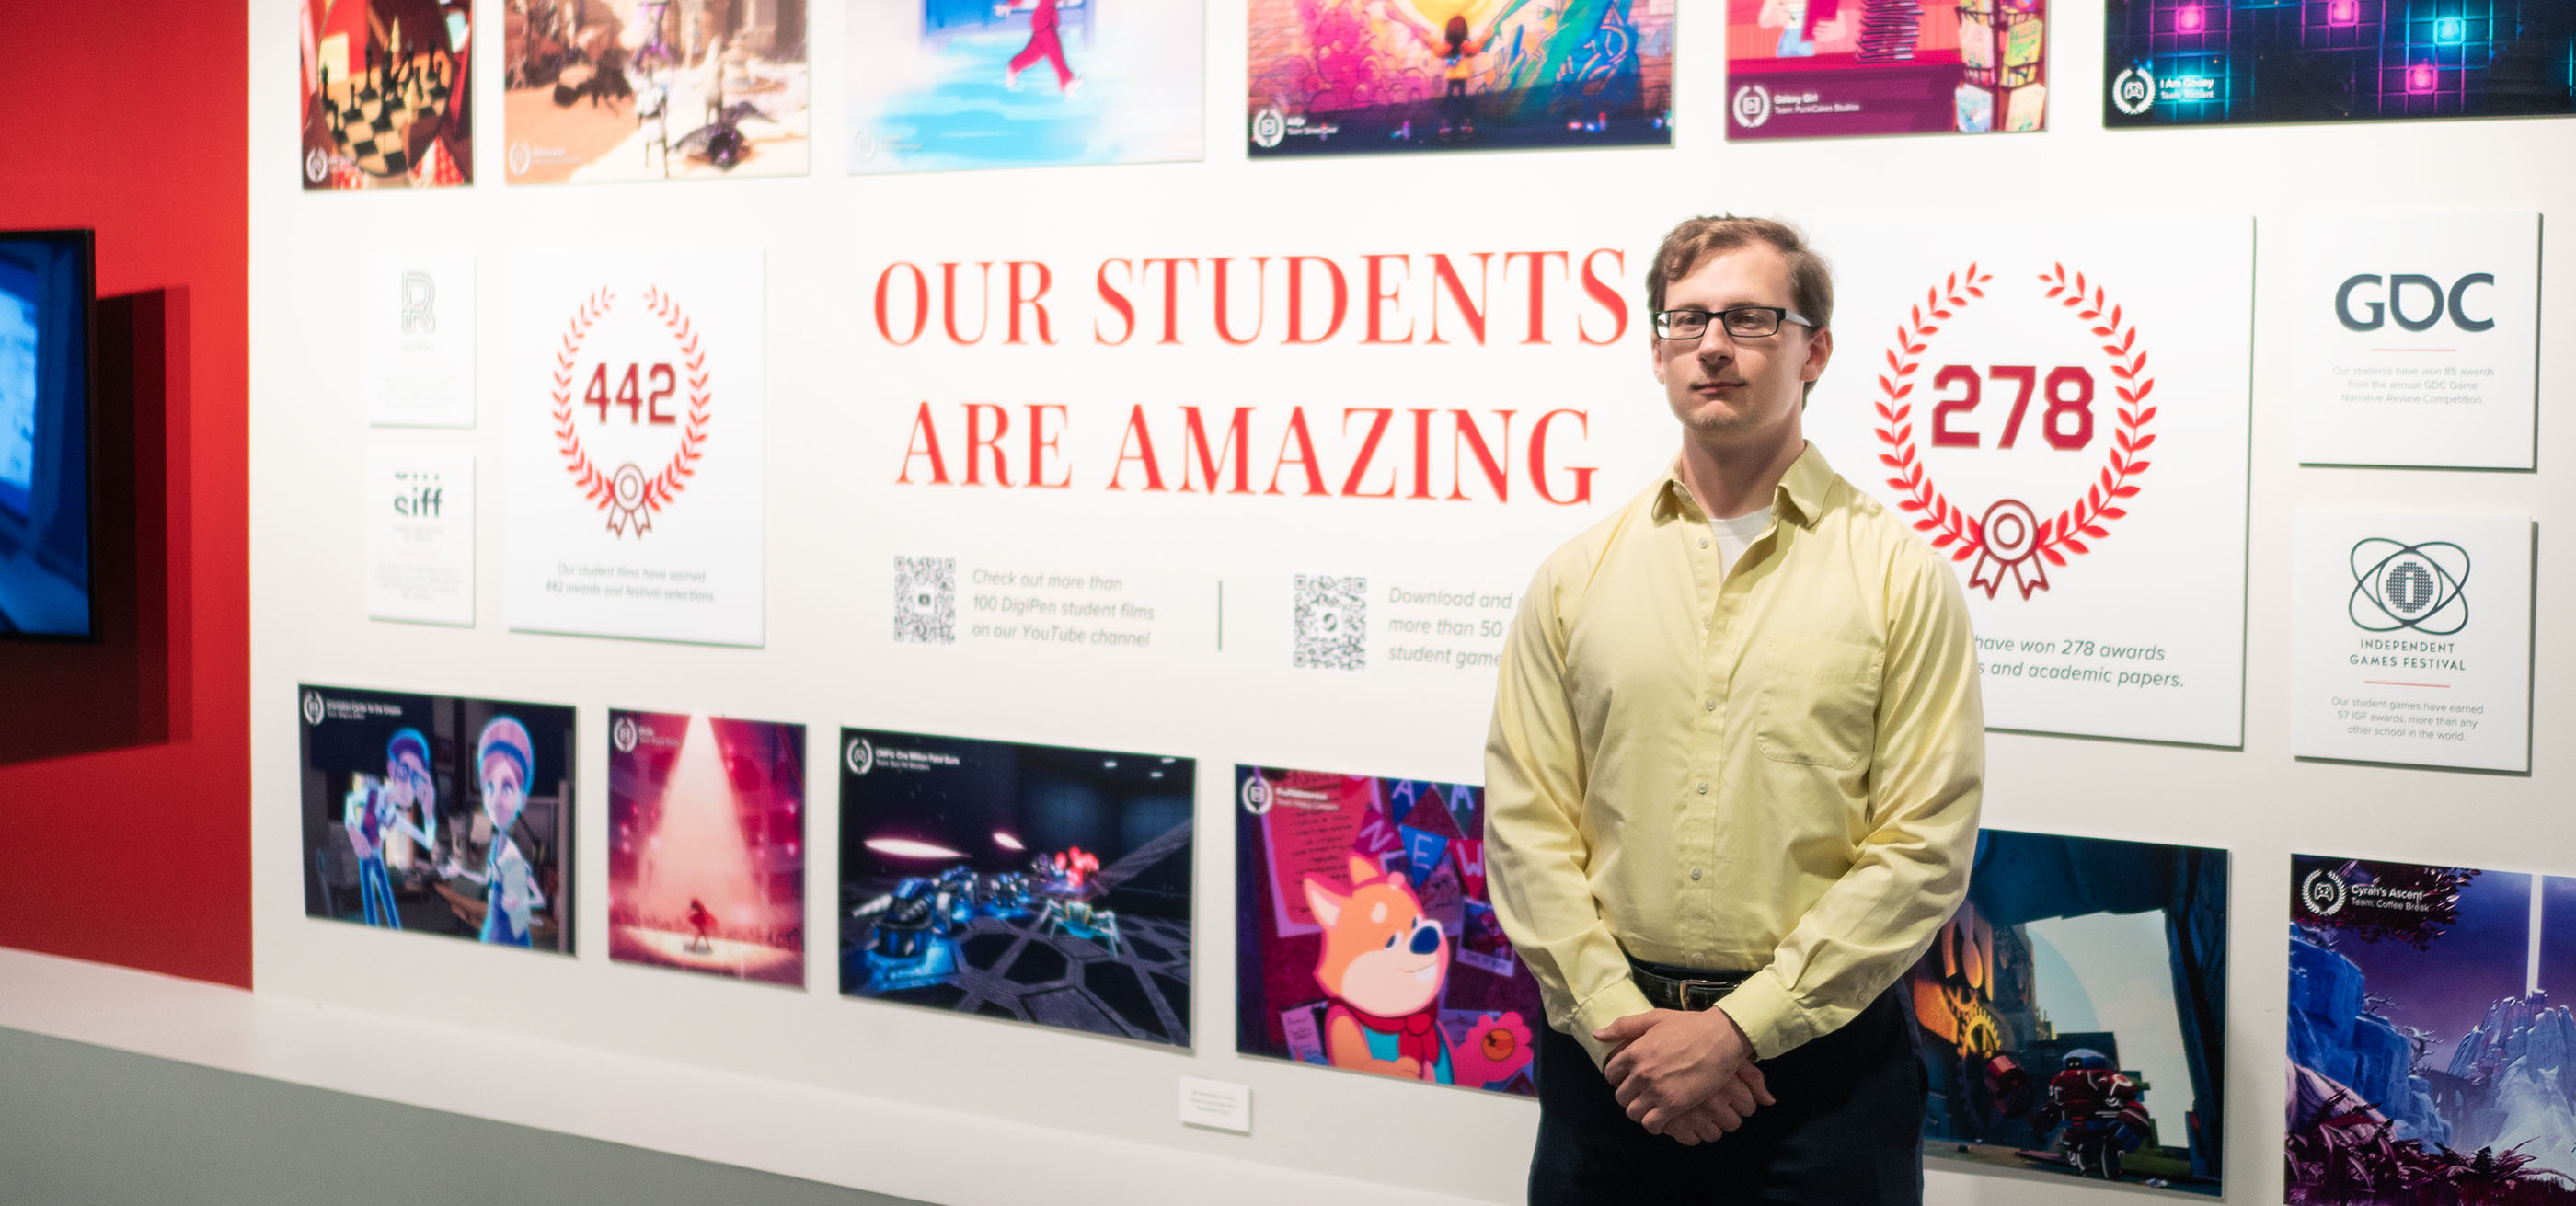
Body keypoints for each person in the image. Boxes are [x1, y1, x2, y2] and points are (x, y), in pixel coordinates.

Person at [1484, 215, 1984, 1203]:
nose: (1711, 345)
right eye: (1686, 321)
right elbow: (1526, 829)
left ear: (1815, 350)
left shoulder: (1899, 579)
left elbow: (1922, 848)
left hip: (1822, 1081)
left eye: (1751, 319)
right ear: (1658, 350)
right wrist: (1621, 1028)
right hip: (1609, 1068)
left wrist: (1735, 1031)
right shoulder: (1575, 579)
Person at [441, 715, 548, 947]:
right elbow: (485, 878)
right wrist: (458, 868)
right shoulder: (497, 843)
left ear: (522, 799)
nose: (496, 800)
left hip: (507, 936)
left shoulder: (511, 853)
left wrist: (519, 904)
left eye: (507, 787)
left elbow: (537, 900)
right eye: (490, 787)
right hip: (494, 927)